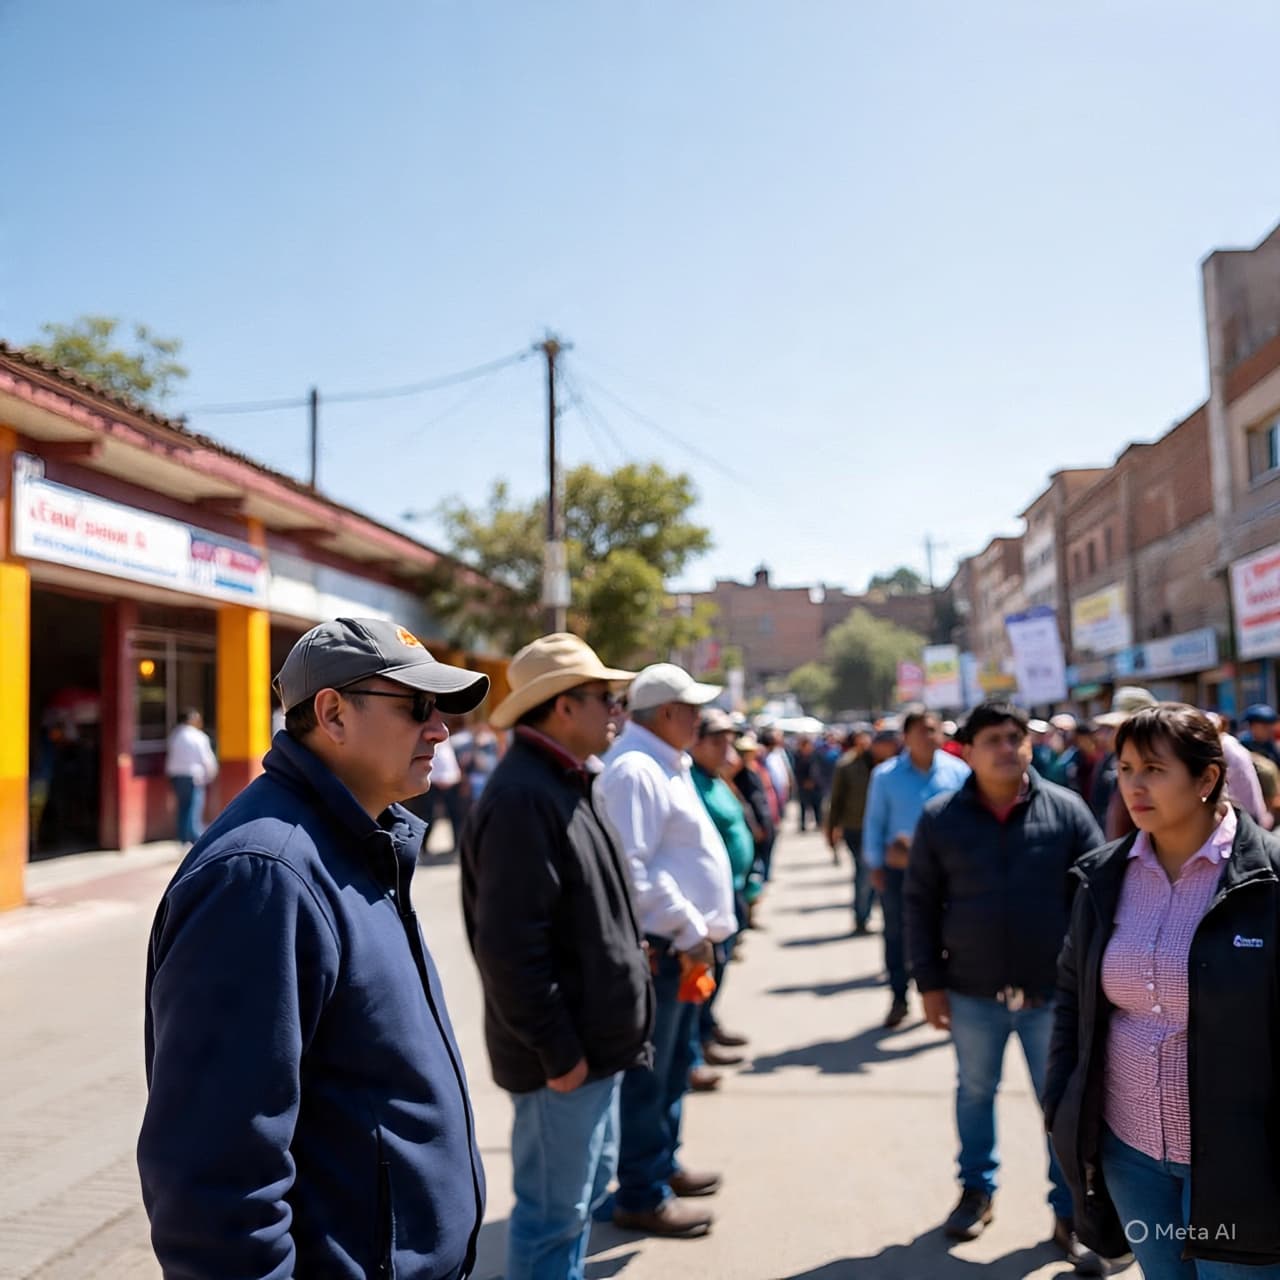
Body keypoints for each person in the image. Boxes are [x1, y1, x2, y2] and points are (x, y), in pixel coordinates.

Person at [138, 617, 490, 1280]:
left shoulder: (362, 840)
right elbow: (214, 1185)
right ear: (332, 713)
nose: (441, 729)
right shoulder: (264, 875)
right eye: (418, 707)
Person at [1045, 703, 1280, 1278]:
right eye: (1125, 768)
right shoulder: (1101, 878)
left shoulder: (1268, 879)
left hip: (1241, 1165)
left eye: (1153, 769)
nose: (1134, 785)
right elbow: (1074, 1001)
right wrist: (1063, 1107)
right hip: (1132, 1157)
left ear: (1207, 779)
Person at [459, 633, 652, 1280]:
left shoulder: (564, 779)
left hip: (590, 1050)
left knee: (574, 1206)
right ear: (564, 707)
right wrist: (558, 1050)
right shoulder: (524, 796)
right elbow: (511, 950)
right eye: (606, 698)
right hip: (563, 1061)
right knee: (551, 1219)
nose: (615, 712)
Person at [904, 701, 1106, 1273]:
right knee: (975, 1092)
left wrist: (1088, 981)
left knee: (1060, 1105)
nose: (1006, 747)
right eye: (991, 738)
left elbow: (1096, 902)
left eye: (1014, 737)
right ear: (966, 751)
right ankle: (976, 1190)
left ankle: (1070, 1211)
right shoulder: (941, 817)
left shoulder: (1066, 811)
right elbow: (918, 904)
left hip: (1053, 995)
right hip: (972, 993)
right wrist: (930, 983)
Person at [597, 663, 737, 1239]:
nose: (701, 719)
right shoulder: (635, 769)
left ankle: (659, 1167)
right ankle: (641, 1191)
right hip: (667, 948)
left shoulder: (658, 762)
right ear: (667, 714)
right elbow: (634, 871)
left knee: (675, 1065)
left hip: (682, 946)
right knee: (651, 1076)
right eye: (692, 708)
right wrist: (687, 928)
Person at [863, 707, 969, 1027]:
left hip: (949, 872)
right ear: (906, 736)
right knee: (897, 934)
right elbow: (875, 822)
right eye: (921, 730)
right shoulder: (885, 776)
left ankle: (945, 996)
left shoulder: (959, 772)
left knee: (950, 932)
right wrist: (875, 864)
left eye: (933, 729)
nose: (928, 736)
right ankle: (899, 996)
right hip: (900, 872)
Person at [689, 708, 755, 1071]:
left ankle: (707, 1029)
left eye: (727, 741)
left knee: (721, 968)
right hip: (707, 901)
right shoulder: (690, 780)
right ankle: (697, 1045)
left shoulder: (715, 778)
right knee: (707, 971)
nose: (724, 749)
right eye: (716, 741)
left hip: (733, 892)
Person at [825, 725, 889, 935]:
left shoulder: (887, 764)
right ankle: (861, 916)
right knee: (865, 872)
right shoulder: (847, 765)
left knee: (877, 873)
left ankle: (877, 912)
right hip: (856, 828)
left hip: (883, 828)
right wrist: (831, 829)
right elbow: (836, 799)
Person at [164, 708, 218, 845]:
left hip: (176, 775)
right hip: (193, 776)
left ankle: (183, 836)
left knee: (183, 806)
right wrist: (211, 774)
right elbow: (207, 759)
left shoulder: (174, 735)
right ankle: (194, 836)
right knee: (193, 806)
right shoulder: (198, 737)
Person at [1237, 702, 1280, 766]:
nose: (1270, 730)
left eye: (1270, 726)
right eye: (1264, 727)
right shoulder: (1241, 745)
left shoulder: (1271, 746)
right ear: (1252, 727)